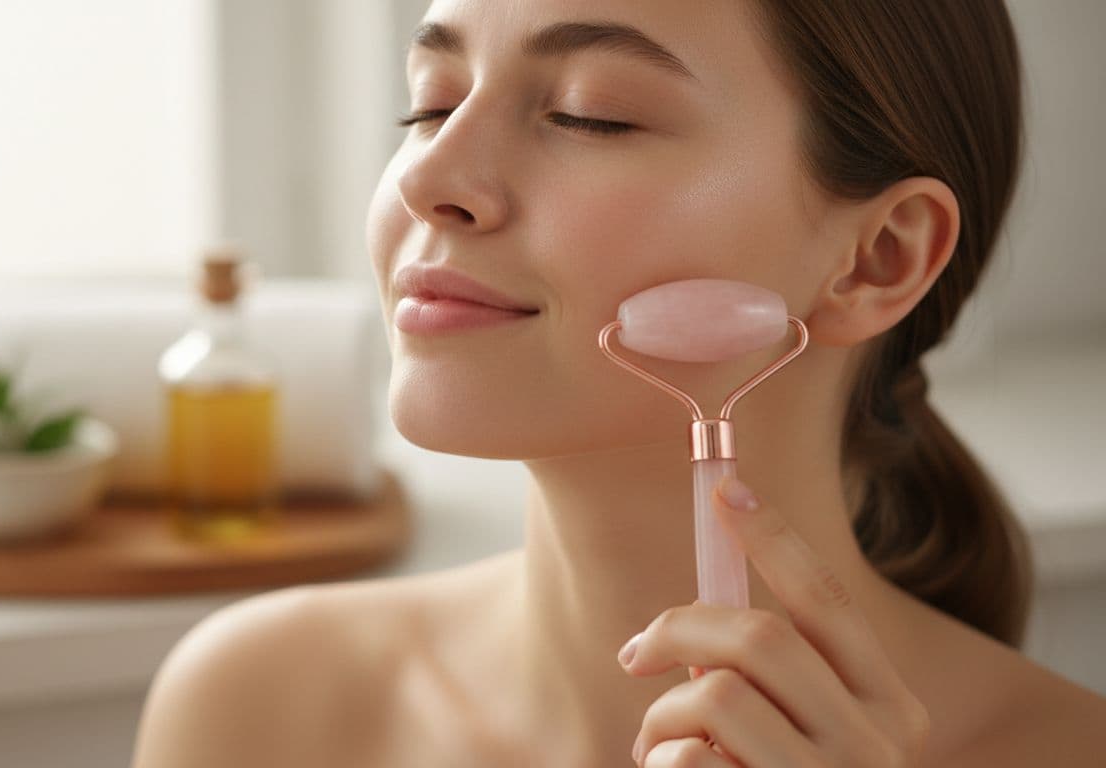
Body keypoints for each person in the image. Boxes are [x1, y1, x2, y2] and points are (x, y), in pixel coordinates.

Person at [130, 1, 1106, 765]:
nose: (433, 175)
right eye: (430, 101)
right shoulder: (257, 708)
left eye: (589, 115)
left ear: (880, 258)